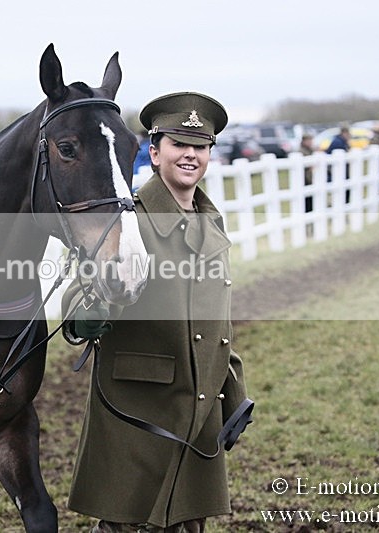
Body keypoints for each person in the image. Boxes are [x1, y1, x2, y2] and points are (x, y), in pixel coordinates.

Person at [62, 92, 252, 532]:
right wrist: (93, 310)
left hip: (199, 409)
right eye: (178, 145)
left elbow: (214, 321)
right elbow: (75, 302)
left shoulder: (211, 218)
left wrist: (233, 388)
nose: (190, 155)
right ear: (154, 152)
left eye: (199, 147)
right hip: (141, 414)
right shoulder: (129, 216)